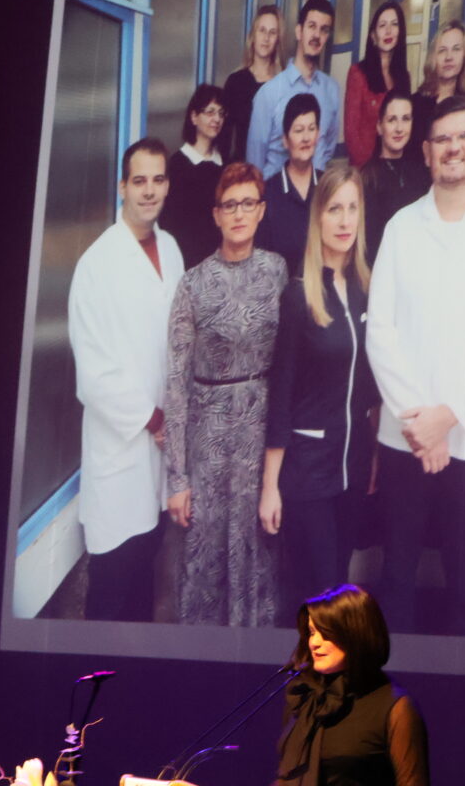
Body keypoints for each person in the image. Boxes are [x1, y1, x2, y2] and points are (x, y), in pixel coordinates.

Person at [365, 95, 465, 634]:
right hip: (405, 434)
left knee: (464, 581)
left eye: (464, 137)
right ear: (427, 152)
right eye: (442, 139)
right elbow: (381, 330)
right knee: (397, 574)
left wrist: (449, 414)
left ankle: (459, 681)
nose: (453, 147)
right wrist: (421, 420)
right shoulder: (401, 226)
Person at [164, 162, 287, 627]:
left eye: (247, 203)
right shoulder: (193, 284)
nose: (239, 213)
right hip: (208, 443)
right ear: (216, 214)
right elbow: (175, 382)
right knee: (207, 550)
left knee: (257, 546)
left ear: (261, 210)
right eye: (229, 205)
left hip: (260, 438)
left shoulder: (277, 273)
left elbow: (290, 365)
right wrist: (178, 479)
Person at [68, 138, 186, 621]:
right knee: (110, 592)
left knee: (143, 588)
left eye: (158, 179)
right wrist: (154, 419)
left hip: (160, 455)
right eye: (139, 181)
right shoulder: (97, 264)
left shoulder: (172, 249)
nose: (149, 190)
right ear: (122, 187)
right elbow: (93, 375)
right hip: (121, 452)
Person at [263, 168, 379, 613]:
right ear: (318, 218)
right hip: (308, 470)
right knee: (319, 589)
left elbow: (368, 385)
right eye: (334, 209)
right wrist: (270, 487)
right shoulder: (298, 297)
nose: (345, 220)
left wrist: (373, 452)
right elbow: (281, 394)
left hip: (353, 465)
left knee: (340, 584)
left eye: (352, 208)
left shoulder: (366, 289)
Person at [275, 585, 429, 786]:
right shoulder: (306, 699)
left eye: (325, 632)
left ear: (355, 634)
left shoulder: (396, 707)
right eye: (312, 632)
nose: (314, 642)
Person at [248, 0, 340, 176]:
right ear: (299, 31)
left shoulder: (331, 91)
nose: (316, 35)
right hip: (276, 191)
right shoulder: (269, 93)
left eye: (324, 30)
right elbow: (254, 164)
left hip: (317, 190)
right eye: (311, 26)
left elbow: (327, 150)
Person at [160, 84, 227, 269]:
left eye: (221, 113)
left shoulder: (226, 165)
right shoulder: (176, 166)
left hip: (222, 263)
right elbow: (169, 224)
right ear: (194, 117)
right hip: (187, 263)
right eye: (210, 112)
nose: (217, 119)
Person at [255, 94, 323, 275]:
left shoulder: (329, 187)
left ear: (318, 135)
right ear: (285, 140)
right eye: (298, 130)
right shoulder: (267, 193)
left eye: (311, 129)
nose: (306, 138)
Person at [360, 91, 428, 266]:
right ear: (379, 126)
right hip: (381, 267)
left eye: (406, 119)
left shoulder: (422, 173)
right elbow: (367, 244)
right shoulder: (367, 177)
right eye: (392, 120)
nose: (399, 128)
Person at [344, 1, 412, 169]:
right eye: (382, 25)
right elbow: (351, 132)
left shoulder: (404, 76)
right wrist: (368, 171)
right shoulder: (357, 73)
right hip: (365, 167)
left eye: (394, 24)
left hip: (396, 165)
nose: (388, 31)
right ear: (373, 36)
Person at [223, 5, 286, 163]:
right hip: (243, 169)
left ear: (278, 40)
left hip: (276, 169)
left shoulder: (284, 84)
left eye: (272, 32)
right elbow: (224, 138)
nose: (266, 38)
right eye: (262, 30)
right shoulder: (235, 82)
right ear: (252, 35)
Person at [407, 20, 465, 156]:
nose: (449, 57)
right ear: (433, 57)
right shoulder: (415, 104)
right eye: (442, 50)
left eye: (456, 49)